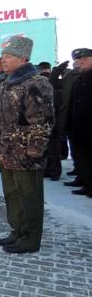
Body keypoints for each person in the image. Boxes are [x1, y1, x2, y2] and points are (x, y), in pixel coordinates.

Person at [0, 36, 54, 254]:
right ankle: (17, 231)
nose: (3, 60)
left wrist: (34, 152)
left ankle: (30, 239)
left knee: (29, 198)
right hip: (6, 153)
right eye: (3, 55)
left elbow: (42, 121)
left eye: (9, 56)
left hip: (25, 154)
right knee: (13, 196)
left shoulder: (36, 83)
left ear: (23, 58)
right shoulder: (6, 82)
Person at [66, 48, 92, 197]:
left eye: (85, 59)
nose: (80, 62)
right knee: (82, 158)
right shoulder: (79, 80)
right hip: (78, 128)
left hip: (89, 128)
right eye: (79, 60)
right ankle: (84, 181)